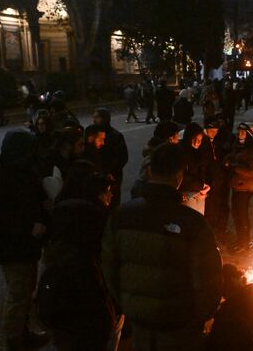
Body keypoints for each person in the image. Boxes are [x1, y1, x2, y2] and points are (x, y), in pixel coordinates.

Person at [102, 143, 222, 351]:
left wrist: (127, 304)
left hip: (138, 317)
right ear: (179, 176)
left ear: (149, 171)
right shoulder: (193, 223)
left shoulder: (121, 215)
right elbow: (209, 279)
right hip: (179, 324)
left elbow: (109, 269)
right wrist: (203, 316)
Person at [0, 130, 50, 350]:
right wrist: (29, 228)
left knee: (26, 289)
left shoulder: (23, 170)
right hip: (11, 247)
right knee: (18, 293)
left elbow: (34, 199)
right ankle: (15, 340)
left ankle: (23, 332)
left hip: (25, 244)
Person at [42, 161, 116, 350]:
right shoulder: (95, 219)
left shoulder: (63, 211)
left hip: (64, 314)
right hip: (90, 311)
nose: (111, 195)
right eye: (107, 191)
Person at [226, 123, 253, 252]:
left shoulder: (252, 150)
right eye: (239, 132)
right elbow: (233, 157)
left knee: (241, 216)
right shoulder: (238, 145)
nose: (240, 134)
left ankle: (244, 244)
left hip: (245, 187)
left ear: (249, 134)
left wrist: (235, 168)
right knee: (236, 215)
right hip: (237, 185)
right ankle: (240, 241)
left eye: (243, 132)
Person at [130, 121, 181, 199]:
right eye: (177, 137)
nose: (178, 141)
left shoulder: (156, 154)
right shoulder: (156, 158)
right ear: (170, 139)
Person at [93, 107, 129, 208]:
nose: (94, 120)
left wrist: (110, 171)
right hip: (97, 173)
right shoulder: (93, 134)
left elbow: (122, 157)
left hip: (112, 175)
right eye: (94, 117)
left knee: (113, 200)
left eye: (97, 117)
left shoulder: (116, 136)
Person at [180, 122, 210, 214]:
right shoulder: (181, 153)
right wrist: (200, 187)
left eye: (200, 140)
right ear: (189, 137)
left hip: (200, 194)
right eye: (195, 139)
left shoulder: (200, 153)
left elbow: (203, 172)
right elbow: (183, 177)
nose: (197, 142)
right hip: (187, 196)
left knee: (199, 223)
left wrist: (205, 188)